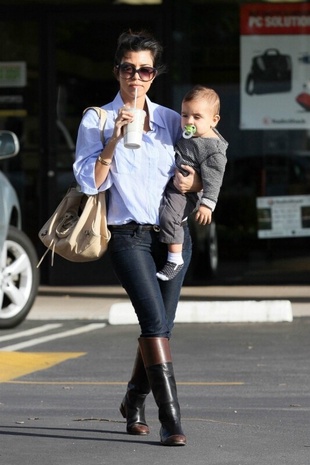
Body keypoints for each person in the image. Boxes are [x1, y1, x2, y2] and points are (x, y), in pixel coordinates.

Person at [73, 30, 202, 447]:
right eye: (128, 68)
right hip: (127, 236)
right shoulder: (97, 118)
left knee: (161, 327)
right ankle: (172, 420)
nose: (136, 77)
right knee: (153, 322)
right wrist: (112, 139)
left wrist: (194, 181)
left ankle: (133, 400)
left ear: (153, 75)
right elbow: (91, 184)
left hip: (172, 236)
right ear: (117, 71)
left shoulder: (169, 119)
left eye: (144, 70)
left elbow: (197, 171)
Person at [156, 85, 228, 281]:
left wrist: (207, 205)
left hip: (185, 193)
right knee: (167, 215)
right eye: (184, 115)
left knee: (169, 217)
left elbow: (214, 180)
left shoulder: (213, 149)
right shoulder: (191, 134)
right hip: (175, 185)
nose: (189, 121)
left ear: (214, 120)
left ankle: (175, 258)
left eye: (197, 117)